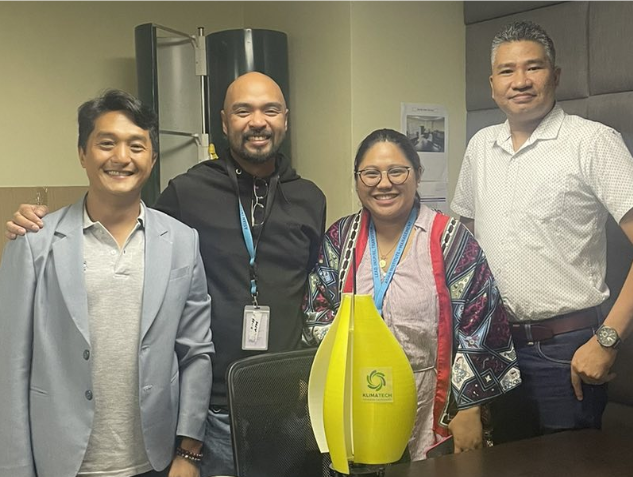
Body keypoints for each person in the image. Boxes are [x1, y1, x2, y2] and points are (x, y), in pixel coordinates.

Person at [5, 72, 326, 477]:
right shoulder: (187, 192)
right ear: (224, 121)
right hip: (210, 413)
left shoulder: (310, 199)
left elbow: (310, 293)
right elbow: (11, 363)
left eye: (270, 110)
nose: (257, 121)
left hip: (286, 407)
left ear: (286, 118)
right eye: (243, 111)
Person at [0, 90, 214, 477]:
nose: (121, 157)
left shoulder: (182, 241)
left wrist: (188, 451)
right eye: (106, 143)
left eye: (136, 145)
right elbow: (10, 365)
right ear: (83, 153)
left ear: (152, 158)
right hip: (62, 462)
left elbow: (196, 352)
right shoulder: (33, 242)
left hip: (155, 460)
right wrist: (15, 468)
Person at [451, 21, 633, 440]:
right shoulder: (480, 147)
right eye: (507, 70)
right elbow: (465, 255)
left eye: (533, 67)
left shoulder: (592, 142)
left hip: (566, 349)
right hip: (494, 345)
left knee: (566, 464)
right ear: (492, 84)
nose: (520, 81)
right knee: (501, 463)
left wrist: (608, 340)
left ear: (555, 75)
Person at [303, 128, 521, 461]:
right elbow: (317, 312)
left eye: (397, 171)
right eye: (371, 174)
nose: (384, 183)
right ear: (358, 180)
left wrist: (468, 407)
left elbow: (481, 323)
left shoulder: (449, 238)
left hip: (432, 397)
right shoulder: (340, 238)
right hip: (355, 394)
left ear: (417, 174)